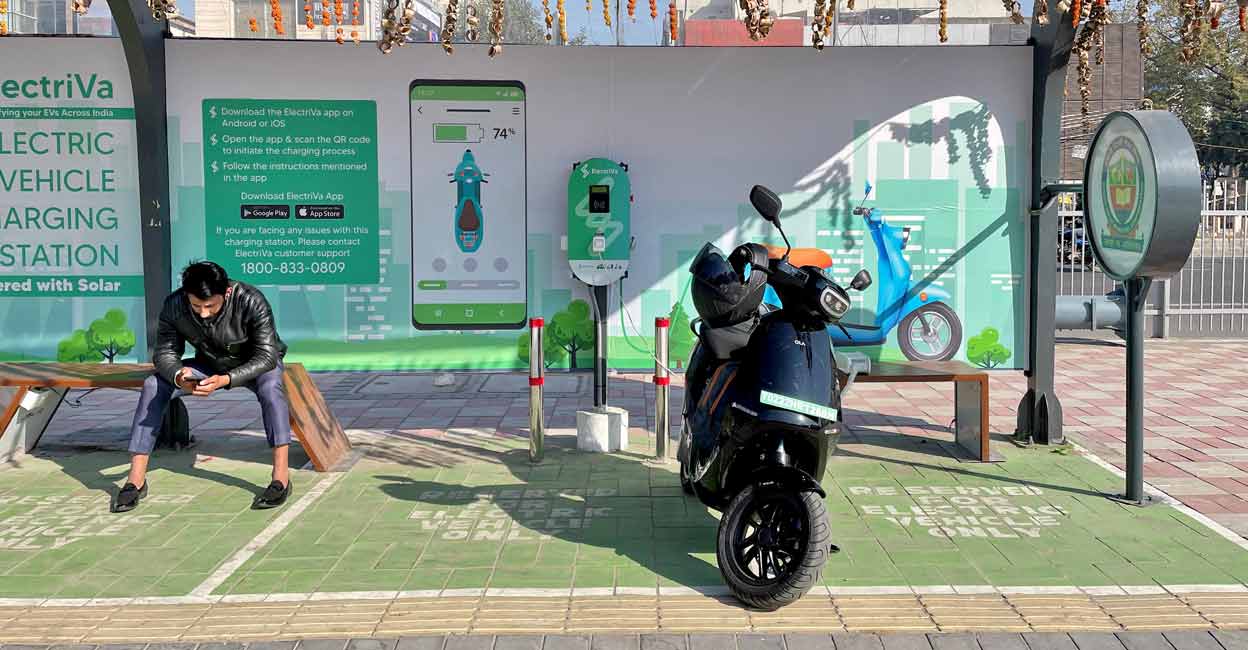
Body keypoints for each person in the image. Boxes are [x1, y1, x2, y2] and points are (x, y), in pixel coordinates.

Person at [114, 261, 293, 513]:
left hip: (256, 364)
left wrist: (226, 379)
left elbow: (267, 356)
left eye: (210, 306)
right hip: (208, 364)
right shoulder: (174, 305)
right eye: (196, 306)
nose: (203, 313)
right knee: (153, 385)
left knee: (271, 389)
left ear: (227, 292)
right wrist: (179, 376)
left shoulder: (252, 300)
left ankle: (280, 478)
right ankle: (135, 480)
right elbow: (164, 353)